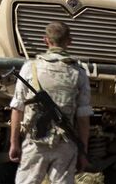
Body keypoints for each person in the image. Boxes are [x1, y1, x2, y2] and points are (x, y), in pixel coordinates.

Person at [8, 21, 91, 184]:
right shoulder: (79, 72)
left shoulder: (29, 68)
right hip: (66, 144)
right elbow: (83, 117)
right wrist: (83, 151)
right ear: (69, 41)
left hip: (35, 143)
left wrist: (14, 143)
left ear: (45, 40)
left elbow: (17, 108)